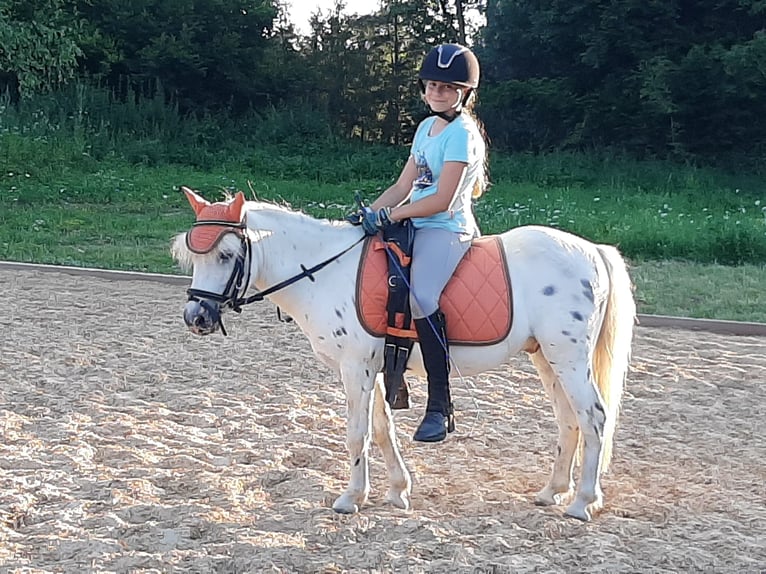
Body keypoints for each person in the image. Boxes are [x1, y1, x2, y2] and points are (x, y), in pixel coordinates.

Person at [358, 43, 488, 443]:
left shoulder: (461, 135)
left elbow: (441, 199)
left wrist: (392, 216)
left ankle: (440, 405)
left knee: (421, 298)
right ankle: (394, 373)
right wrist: (366, 213)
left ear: (464, 93)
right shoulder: (425, 128)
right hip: (414, 221)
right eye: (432, 85)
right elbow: (403, 185)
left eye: (447, 88)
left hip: (446, 229)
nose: (437, 93)